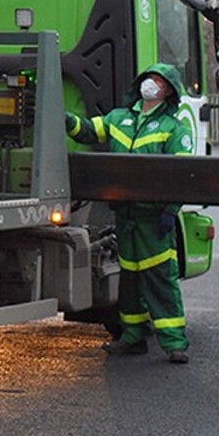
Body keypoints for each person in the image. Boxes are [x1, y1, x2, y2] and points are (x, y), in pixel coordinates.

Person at [65, 62, 194, 364]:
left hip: (154, 220)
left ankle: (175, 343)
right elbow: (87, 131)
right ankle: (132, 337)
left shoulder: (174, 128)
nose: (152, 84)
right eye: (149, 78)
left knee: (161, 281)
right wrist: (65, 119)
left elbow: (183, 174)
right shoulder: (118, 118)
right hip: (126, 217)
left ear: (168, 91)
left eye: (159, 81)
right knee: (130, 282)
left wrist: (170, 211)